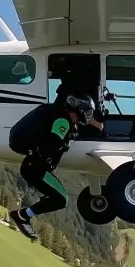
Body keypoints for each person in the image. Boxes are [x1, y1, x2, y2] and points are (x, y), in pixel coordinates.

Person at [7, 84, 104, 240]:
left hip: (33, 167)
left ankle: (24, 215)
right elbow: (53, 141)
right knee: (60, 199)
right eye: (86, 112)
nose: (88, 116)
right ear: (77, 110)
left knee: (57, 198)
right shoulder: (63, 123)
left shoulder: (60, 117)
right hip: (36, 169)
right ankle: (22, 216)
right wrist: (55, 147)